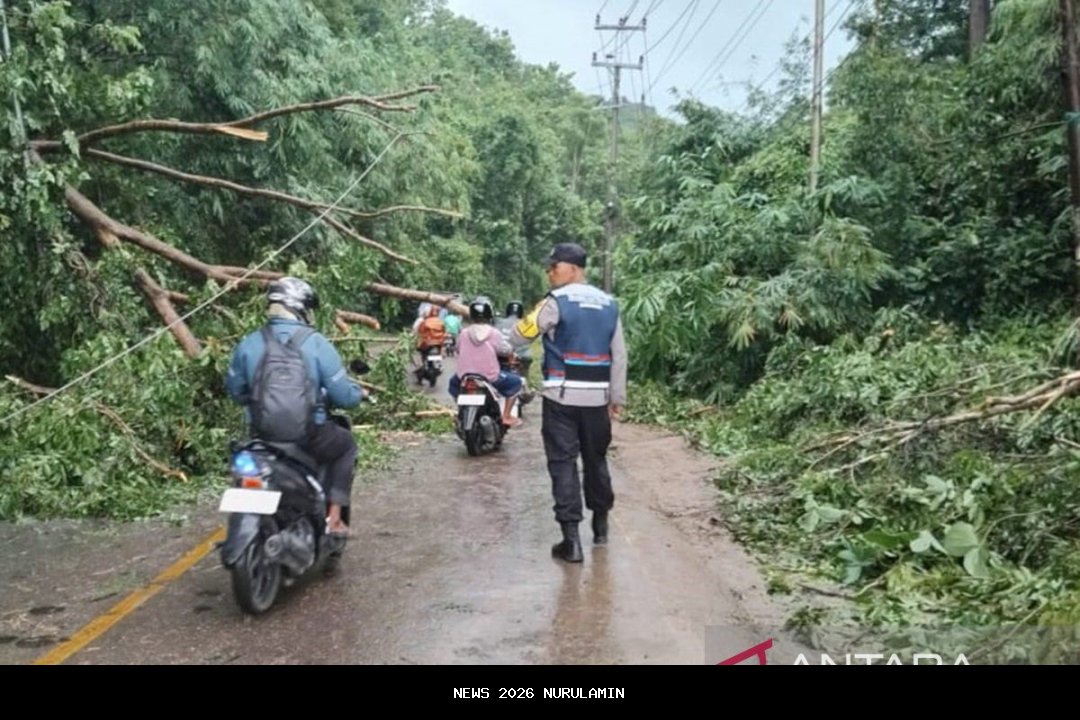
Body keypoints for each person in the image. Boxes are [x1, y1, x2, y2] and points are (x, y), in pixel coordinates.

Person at [509, 243, 627, 563]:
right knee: (596, 460)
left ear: (573, 268)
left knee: (563, 463)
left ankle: (571, 542)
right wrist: (616, 398)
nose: (549, 273)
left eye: (554, 267)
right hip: (597, 400)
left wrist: (526, 322)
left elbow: (521, 336)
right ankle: (600, 530)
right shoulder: (609, 304)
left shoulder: (555, 302)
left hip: (561, 398)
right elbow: (619, 356)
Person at [226, 277, 363, 537]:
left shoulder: (249, 343)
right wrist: (358, 394)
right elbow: (344, 396)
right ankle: (333, 519)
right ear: (299, 307)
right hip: (308, 437)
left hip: (262, 438)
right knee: (346, 445)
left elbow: (236, 390)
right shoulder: (316, 342)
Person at [448, 296, 524, 428]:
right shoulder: (494, 333)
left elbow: (458, 349)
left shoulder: (464, 333)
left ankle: (460, 411)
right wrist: (510, 350)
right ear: (490, 314)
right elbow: (504, 351)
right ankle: (506, 416)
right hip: (490, 377)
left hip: (464, 376)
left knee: (453, 385)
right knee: (516, 382)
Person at [412, 304, 448, 369]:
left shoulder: (425, 321)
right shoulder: (440, 322)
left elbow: (421, 331)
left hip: (428, 343)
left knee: (420, 349)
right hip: (438, 343)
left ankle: (422, 365)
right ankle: (438, 364)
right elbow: (444, 332)